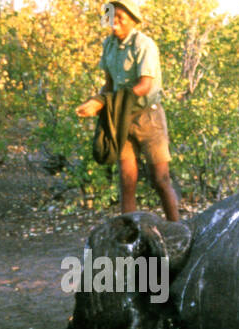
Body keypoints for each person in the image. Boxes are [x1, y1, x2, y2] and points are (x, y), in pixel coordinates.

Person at [75, 1, 179, 221]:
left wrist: (104, 102)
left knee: (160, 179)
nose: (115, 23)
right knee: (126, 180)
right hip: (120, 119)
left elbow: (144, 86)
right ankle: (129, 235)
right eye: (111, 17)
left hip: (147, 116)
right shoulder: (109, 45)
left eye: (120, 18)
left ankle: (178, 229)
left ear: (132, 19)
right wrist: (95, 101)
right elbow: (109, 84)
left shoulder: (144, 45)